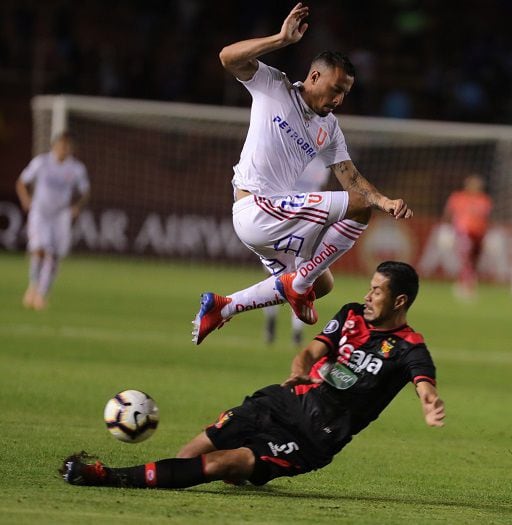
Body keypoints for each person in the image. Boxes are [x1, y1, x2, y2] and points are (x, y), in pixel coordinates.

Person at [61, 261, 445, 489]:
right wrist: (299, 370)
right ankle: (248, 468)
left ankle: (104, 475)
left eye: (377, 292)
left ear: (400, 301)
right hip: (280, 402)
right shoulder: (351, 314)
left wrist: (429, 404)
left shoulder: (409, 347)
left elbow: (423, 384)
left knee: (221, 465)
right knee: (190, 457)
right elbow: (312, 350)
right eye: (369, 287)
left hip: (311, 438)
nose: (367, 296)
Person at [191, 3, 412, 345]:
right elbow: (227, 57)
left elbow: (349, 176)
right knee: (357, 209)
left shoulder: (329, 128)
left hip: (271, 220)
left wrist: (385, 200)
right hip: (257, 206)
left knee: (323, 284)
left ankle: (223, 307)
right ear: (314, 77)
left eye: (345, 93)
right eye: (336, 88)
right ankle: (298, 284)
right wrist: (280, 39)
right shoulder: (274, 86)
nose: (339, 98)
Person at [15, 131, 90, 310]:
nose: (64, 149)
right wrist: (26, 200)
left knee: (54, 255)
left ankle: (42, 293)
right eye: (61, 145)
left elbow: (86, 191)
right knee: (40, 250)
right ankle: (33, 287)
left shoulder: (76, 168)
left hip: (60, 215)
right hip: (40, 212)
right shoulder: (42, 162)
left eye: (67, 146)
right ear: (54, 146)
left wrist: (77, 206)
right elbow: (21, 182)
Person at [262, 159, 331, 347]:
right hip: (302, 222)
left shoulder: (292, 157)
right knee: (299, 277)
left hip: (288, 221)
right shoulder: (320, 163)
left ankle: (282, 327)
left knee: (282, 275)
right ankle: (290, 329)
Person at [441, 173, 492, 299]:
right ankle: (467, 287)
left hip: (479, 234)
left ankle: (462, 283)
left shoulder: (484, 200)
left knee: (474, 260)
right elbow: (448, 214)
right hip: (463, 232)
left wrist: (488, 235)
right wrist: (446, 230)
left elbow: (487, 219)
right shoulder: (458, 197)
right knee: (466, 258)